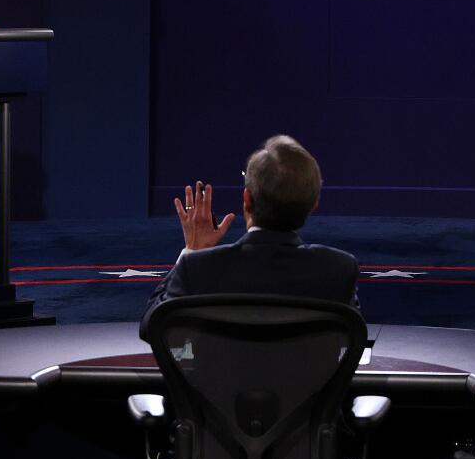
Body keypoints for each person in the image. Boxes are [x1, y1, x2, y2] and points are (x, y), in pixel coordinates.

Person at [140, 135, 359, 340]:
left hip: (219, 382)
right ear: (314, 205)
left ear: (246, 200)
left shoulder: (198, 268)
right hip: (311, 382)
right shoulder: (339, 270)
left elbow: (152, 328)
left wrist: (193, 249)